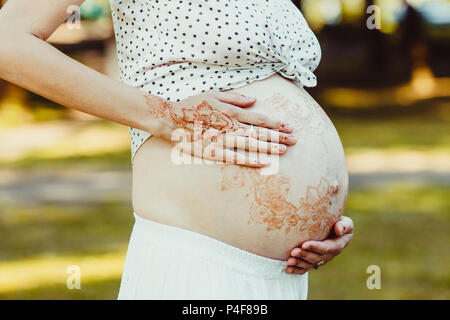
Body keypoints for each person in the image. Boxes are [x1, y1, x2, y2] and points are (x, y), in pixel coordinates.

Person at [0, 0, 354, 299]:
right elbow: (8, 43)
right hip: (198, 261)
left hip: (282, 276)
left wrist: (321, 220)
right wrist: (166, 117)